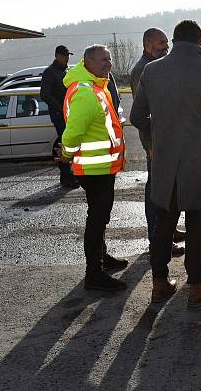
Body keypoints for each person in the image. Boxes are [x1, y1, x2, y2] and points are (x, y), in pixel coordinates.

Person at [131, 20, 201, 307]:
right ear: (200, 41)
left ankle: (160, 282)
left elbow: (137, 117)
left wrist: (159, 138)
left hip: (164, 160)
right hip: (199, 162)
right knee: (197, 226)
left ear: (175, 41)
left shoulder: (152, 71)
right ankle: (198, 286)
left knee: (163, 224)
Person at [59, 45, 128, 290]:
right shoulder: (87, 91)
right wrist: (66, 154)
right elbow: (72, 133)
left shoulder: (96, 86)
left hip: (102, 167)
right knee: (97, 219)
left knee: (100, 217)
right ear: (87, 62)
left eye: (109, 59)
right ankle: (94, 273)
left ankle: (101, 258)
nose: (107, 63)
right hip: (94, 169)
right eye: (102, 59)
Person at [129, 28, 185, 255]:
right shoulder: (143, 70)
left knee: (169, 189)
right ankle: (157, 238)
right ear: (147, 45)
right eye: (161, 43)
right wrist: (153, 143)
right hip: (155, 142)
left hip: (165, 140)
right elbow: (142, 113)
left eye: (166, 43)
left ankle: (168, 231)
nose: (166, 46)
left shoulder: (157, 66)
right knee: (157, 191)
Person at [40, 45, 77, 188]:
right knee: (64, 143)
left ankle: (70, 174)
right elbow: (45, 94)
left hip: (68, 113)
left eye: (68, 55)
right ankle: (66, 176)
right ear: (57, 56)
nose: (67, 57)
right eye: (64, 55)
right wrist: (60, 108)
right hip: (59, 114)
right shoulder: (50, 72)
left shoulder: (64, 71)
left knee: (69, 143)